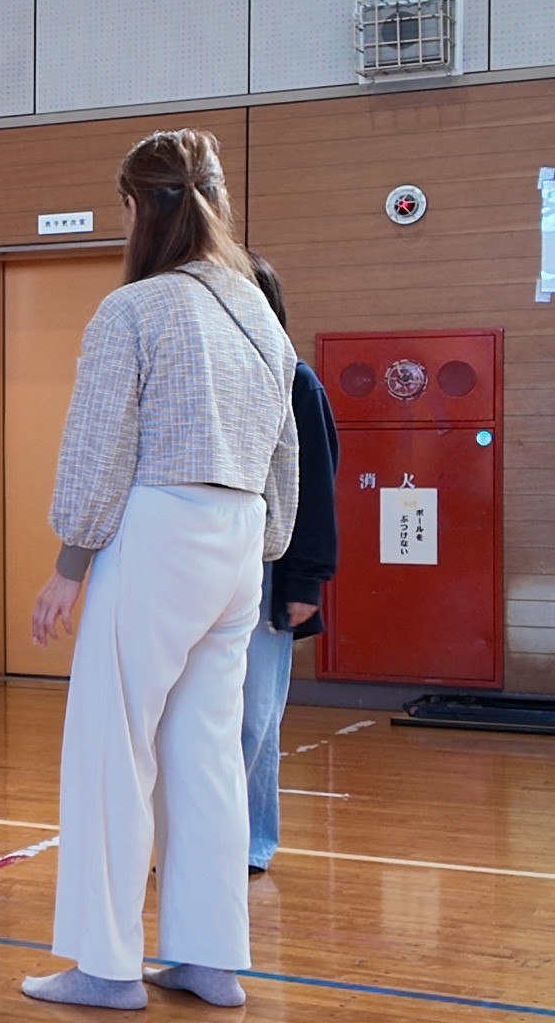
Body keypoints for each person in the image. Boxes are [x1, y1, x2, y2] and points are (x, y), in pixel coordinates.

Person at [21, 130, 298, 1011]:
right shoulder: (258, 306)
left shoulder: (135, 310)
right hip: (240, 540)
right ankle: (208, 958)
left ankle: (105, 967)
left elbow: (100, 443)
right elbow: (287, 452)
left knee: (112, 748)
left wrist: (71, 560)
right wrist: (263, 543)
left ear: (141, 207)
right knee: (206, 753)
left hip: (161, 527)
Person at [241, 253, 340, 877]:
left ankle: (250, 841)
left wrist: (305, 581)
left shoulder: (296, 381)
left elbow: (317, 488)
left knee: (255, 719)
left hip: (270, 571)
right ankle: (195, 838)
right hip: (205, 567)